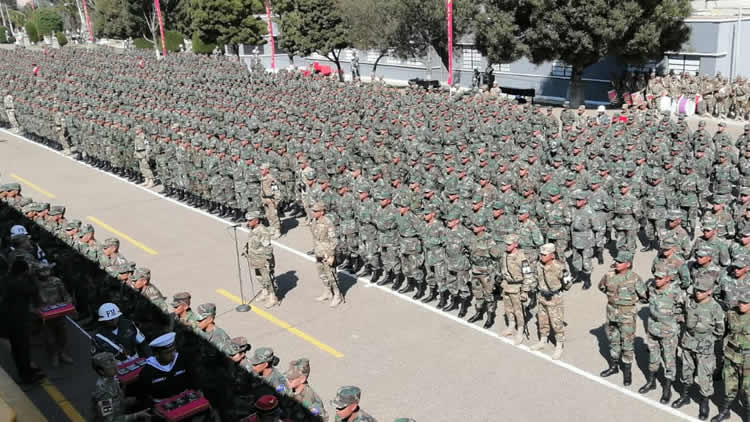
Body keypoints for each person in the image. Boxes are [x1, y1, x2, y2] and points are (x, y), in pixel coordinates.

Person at [672, 273, 724, 420]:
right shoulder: (690, 300)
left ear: (709, 291)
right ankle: (685, 395)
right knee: (686, 371)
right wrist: (679, 316)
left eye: (701, 291)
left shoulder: (715, 308)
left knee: (704, 375)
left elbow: (720, 331)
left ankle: (704, 402)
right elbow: (678, 306)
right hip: (688, 342)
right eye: (696, 290)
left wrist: (707, 341)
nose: (697, 293)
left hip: (704, 347)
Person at [598, 250, 645, 386]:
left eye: (620, 262)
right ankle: (613, 366)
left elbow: (644, 295)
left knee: (627, 343)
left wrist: (630, 302)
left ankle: (627, 371)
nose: (617, 263)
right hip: (612, 312)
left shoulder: (634, 278)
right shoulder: (609, 275)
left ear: (628, 264)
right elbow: (601, 287)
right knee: (613, 340)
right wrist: (613, 298)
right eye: (616, 261)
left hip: (627, 315)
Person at [0, 258, 45, 384]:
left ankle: (27, 371)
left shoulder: (7, 280)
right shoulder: (18, 284)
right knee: (22, 349)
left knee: (18, 349)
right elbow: (34, 290)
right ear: (23, 272)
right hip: (17, 322)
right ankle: (26, 376)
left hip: (10, 320)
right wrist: (31, 276)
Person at [712, 287, 750, 422]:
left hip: (748, 360)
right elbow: (723, 332)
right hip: (731, 355)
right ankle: (725, 411)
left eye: (745, 303)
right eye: (740, 302)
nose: (741, 305)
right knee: (729, 385)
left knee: (747, 390)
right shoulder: (731, 314)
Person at [133, 332, 197, 407]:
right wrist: (153, 408)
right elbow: (143, 396)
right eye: (168, 352)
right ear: (157, 354)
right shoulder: (147, 372)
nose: (173, 354)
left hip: (187, 401)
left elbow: (193, 380)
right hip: (163, 406)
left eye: (173, 350)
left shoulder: (182, 360)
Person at [531, 243, 571, 360]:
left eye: (544, 254)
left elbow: (568, 284)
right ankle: (543, 340)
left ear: (552, 255)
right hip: (542, 297)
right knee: (542, 321)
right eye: (541, 254)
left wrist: (557, 290)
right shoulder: (539, 265)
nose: (542, 256)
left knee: (557, 323)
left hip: (554, 299)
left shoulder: (560, 267)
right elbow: (535, 278)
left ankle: (559, 345)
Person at [90, 352, 151, 422]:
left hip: (121, 412)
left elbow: (118, 402)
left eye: (115, 364)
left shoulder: (112, 379)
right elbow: (110, 420)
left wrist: (133, 400)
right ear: (101, 371)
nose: (115, 367)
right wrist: (137, 415)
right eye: (111, 367)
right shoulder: (103, 392)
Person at [243, 209, 279, 308]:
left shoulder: (262, 231)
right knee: (259, 276)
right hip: (255, 258)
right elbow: (252, 241)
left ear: (257, 220)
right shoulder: (253, 229)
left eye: (250, 220)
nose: (248, 222)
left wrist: (267, 261)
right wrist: (246, 248)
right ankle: (265, 291)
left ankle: (273, 297)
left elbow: (268, 247)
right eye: (248, 220)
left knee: (267, 278)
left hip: (262, 259)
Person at [309, 201, 343, 307]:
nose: (313, 212)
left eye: (315, 211)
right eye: (313, 210)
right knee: (322, 274)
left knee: (331, 275)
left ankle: (337, 295)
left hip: (326, 253)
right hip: (318, 252)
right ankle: (328, 292)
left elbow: (334, 240)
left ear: (322, 212)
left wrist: (331, 255)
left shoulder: (328, 223)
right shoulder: (314, 221)